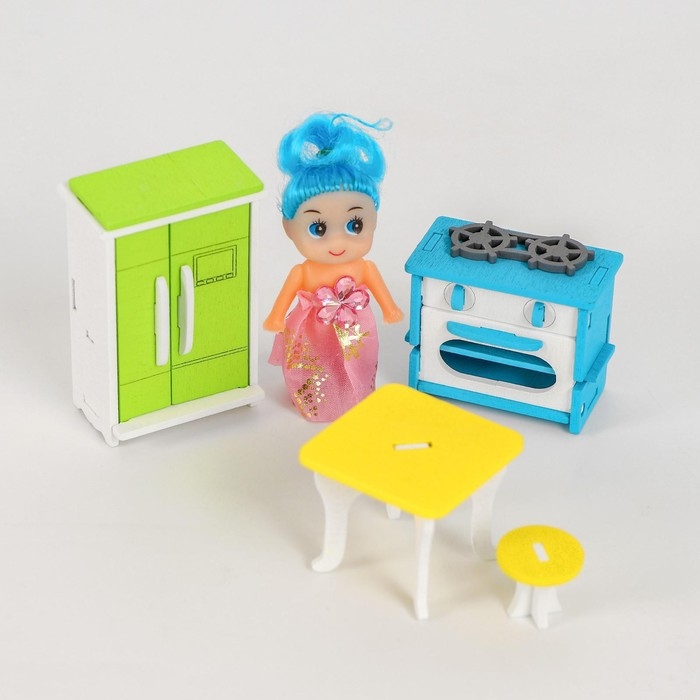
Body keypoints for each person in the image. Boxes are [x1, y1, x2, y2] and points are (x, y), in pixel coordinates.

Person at [263, 112, 403, 421]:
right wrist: (276, 317)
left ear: (374, 220)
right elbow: (286, 297)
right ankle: (317, 401)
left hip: (357, 326)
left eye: (355, 225)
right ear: (289, 228)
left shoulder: (364, 267)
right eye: (318, 229)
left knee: (359, 360)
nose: (337, 241)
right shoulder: (303, 272)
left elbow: (379, 289)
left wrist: (390, 308)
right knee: (316, 365)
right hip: (312, 328)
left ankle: (357, 397)